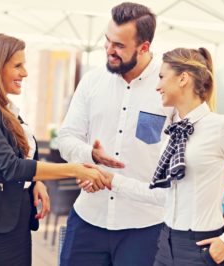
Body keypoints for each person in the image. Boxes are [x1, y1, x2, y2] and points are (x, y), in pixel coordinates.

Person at [83, 47, 224, 265]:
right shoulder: (171, 132)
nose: (157, 86)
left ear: (183, 79)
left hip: (203, 248)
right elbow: (163, 196)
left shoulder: (222, 127)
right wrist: (111, 180)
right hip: (166, 244)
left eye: (161, 77)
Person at [0, 33, 106, 266]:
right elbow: (11, 167)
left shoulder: (8, 110)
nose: (24, 72)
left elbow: (19, 161)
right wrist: (75, 170)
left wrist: (36, 182)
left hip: (17, 230)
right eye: (17, 65)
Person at [57, 2, 174, 266]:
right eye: (107, 40)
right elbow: (65, 138)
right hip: (88, 217)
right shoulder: (91, 81)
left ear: (144, 47)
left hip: (145, 225)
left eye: (119, 45)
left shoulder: (168, 87)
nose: (109, 50)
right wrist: (90, 156)